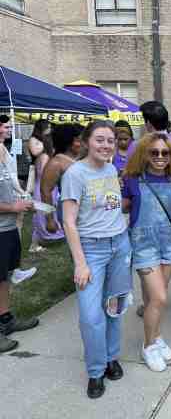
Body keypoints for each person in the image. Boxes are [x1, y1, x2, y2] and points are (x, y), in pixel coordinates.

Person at [61, 121, 132, 399]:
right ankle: (95, 370)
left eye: (110, 141)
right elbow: (68, 221)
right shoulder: (75, 174)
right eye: (100, 140)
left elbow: (112, 208)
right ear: (86, 142)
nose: (106, 146)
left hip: (119, 246)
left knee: (114, 307)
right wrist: (80, 263)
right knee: (91, 316)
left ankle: (111, 357)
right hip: (92, 251)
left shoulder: (112, 168)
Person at [122, 133, 171, 372]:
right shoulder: (132, 180)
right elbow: (118, 207)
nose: (159, 157)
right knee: (159, 299)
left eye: (165, 153)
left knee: (153, 299)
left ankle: (156, 336)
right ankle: (147, 346)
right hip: (144, 246)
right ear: (144, 153)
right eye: (154, 152)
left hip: (168, 244)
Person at [0, 115, 40, 353]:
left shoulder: (3, 152)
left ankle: (5, 319)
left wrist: (21, 201)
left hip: (7, 227)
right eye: (3, 125)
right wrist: (12, 207)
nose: (8, 128)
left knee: (3, 276)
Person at [28, 120, 66, 250]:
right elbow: (44, 174)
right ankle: (38, 241)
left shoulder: (45, 155)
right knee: (42, 212)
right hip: (43, 187)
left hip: (47, 187)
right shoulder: (44, 155)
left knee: (44, 211)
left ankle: (37, 242)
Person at [41, 123, 83, 234]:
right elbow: (45, 191)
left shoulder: (80, 158)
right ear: (69, 142)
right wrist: (49, 220)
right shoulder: (56, 163)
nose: (82, 144)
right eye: (79, 140)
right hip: (70, 210)